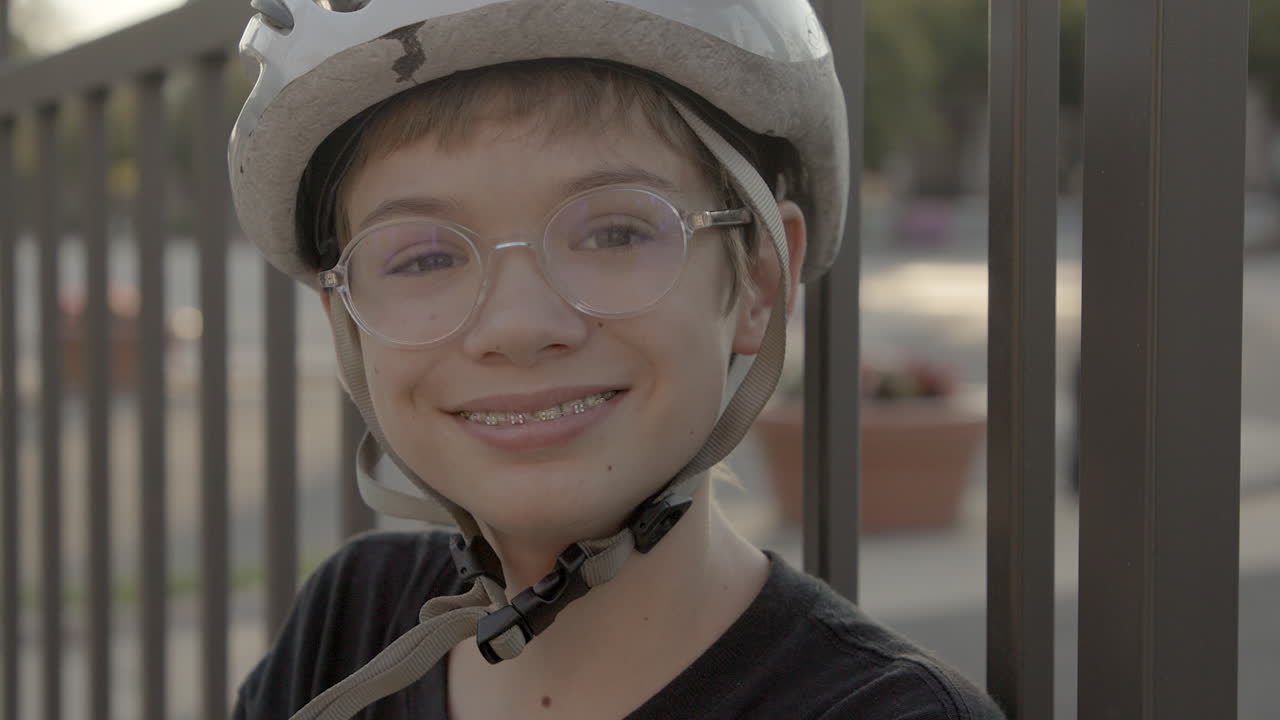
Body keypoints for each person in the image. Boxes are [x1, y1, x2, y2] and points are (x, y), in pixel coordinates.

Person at [229, 1, 1007, 718]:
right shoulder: (349, 620)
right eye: (425, 258)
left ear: (762, 279)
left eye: (615, 234)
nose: (519, 326)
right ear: (348, 323)